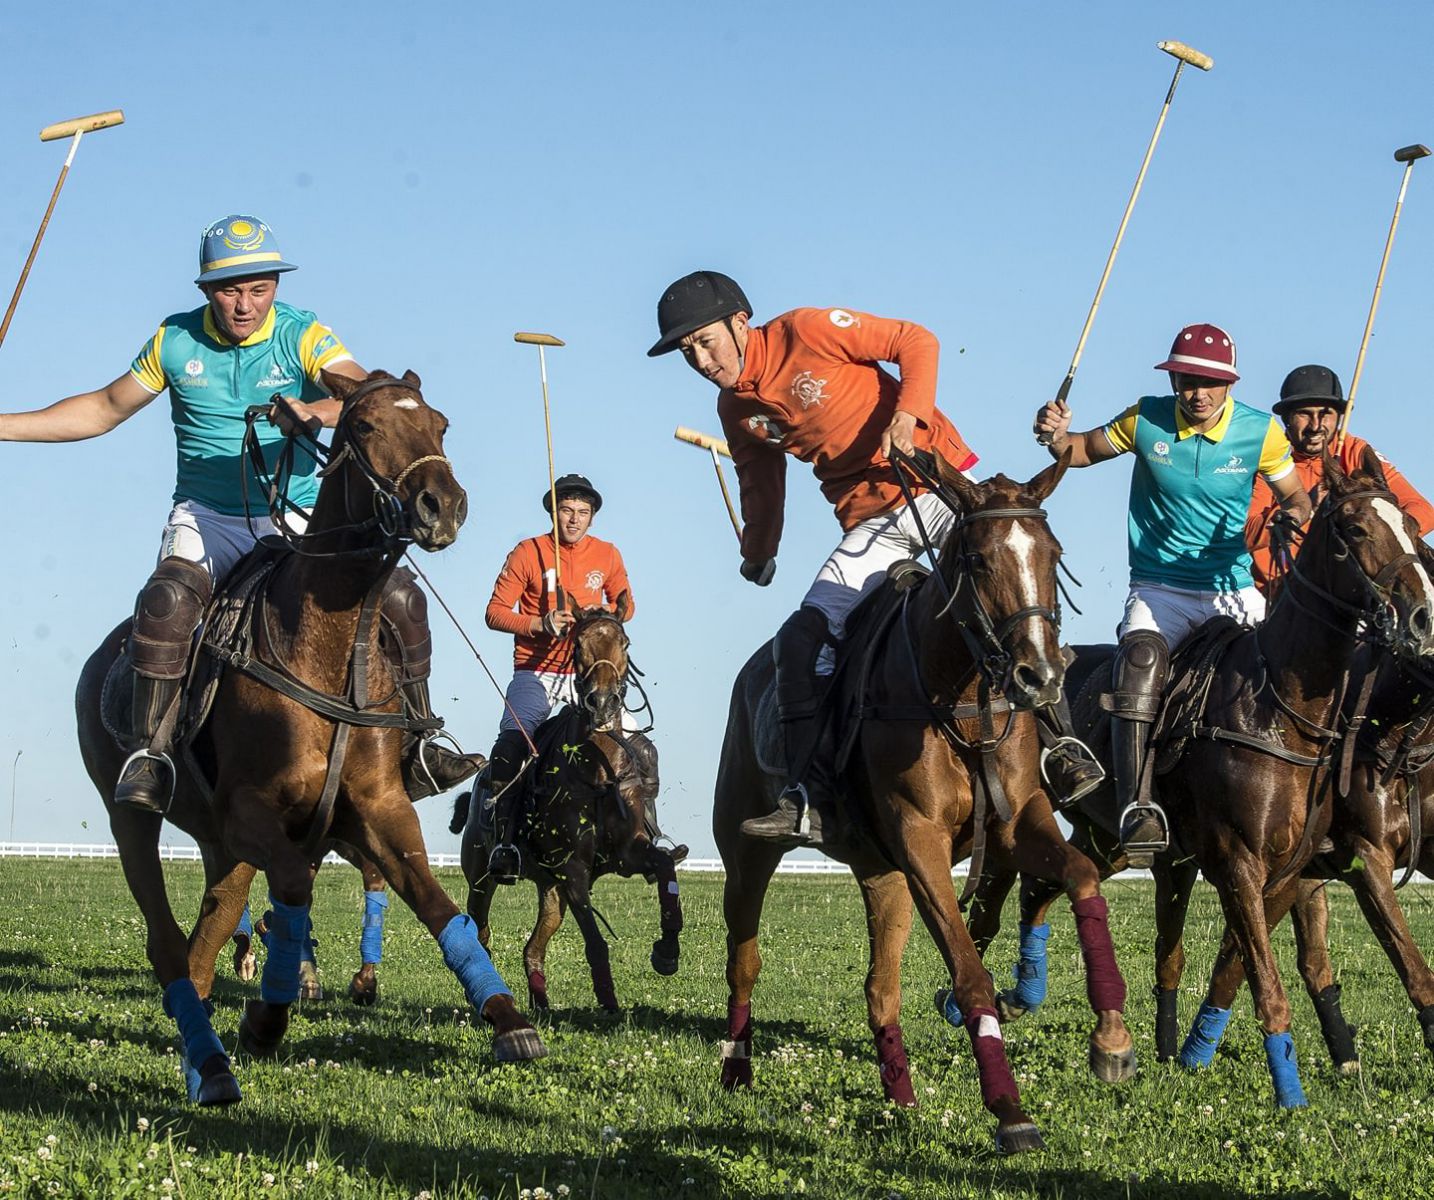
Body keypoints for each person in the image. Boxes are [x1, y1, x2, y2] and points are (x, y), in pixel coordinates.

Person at [0, 214, 479, 813]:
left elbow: (368, 395)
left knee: (404, 598)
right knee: (166, 604)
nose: (246, 304)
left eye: (260, 288)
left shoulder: (304, 334)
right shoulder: (174, 340)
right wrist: (5, 427)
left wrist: (310, 409)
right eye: (231, 290)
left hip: (295, 517)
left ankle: (419, 744)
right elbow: (101, 408)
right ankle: (149, 755)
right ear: (206, 290)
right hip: (207, 517)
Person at [650, 270, 1103, 850]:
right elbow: (760, 480)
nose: (700, 359)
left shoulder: (806, 330)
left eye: (705, 341)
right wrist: (758, 551)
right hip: (871, 528)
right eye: (687, 351)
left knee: (1010, 599)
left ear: (741, 323)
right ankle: (808, 798)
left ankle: (1063, 748)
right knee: (797, 640)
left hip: (943, 492)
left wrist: (908, 416)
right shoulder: (734, 409)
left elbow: (916, 340)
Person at [1033, 322, 1313, 860]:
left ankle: (1311, 801)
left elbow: (1297, 498)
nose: (1198, 393)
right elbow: (1077, 450)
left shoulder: (1262, 432)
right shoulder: (1145, 419)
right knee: (1139, 659)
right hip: (1161, 588)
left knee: (1291, 668)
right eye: (1187, 380)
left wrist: (1287, 518)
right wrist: (1053, 434)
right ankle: (1137, 806)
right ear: (1174, 378)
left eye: (1211, 382)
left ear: (1230, 383)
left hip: (1232, 588)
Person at [482, 474, 684, 883]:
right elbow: (494, 612)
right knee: (510, 747)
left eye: (583, 512)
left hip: (591, 677)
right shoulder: (528, 552)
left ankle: (648, 833)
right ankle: (504, 843)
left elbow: (626, 606)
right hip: (537, 670)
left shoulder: (608, 555)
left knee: (641, 750)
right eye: (567, 510)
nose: (574, 519)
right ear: (554, 512)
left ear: (592, 517)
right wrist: (541, 621)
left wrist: (597, 615)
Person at [1245, 364, 1434, 594]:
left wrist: (1377, 536)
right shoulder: (1270, 458)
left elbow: (1423, 510)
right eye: (1304, 414)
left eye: (1325, 414)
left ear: (1339, 417)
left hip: (1347, 594)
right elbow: (1246, 533)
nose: (1316, 426)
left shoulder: (1356, 451)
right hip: (1277, 597)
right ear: (1286, 418)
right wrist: (1305, 510)